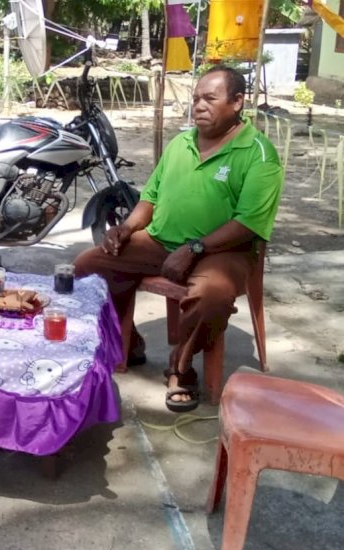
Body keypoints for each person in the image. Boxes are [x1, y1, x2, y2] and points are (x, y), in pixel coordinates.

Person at [73, 65, 283, 412]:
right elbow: (149, 200)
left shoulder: (258, 153)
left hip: (224, 251)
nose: (198, 106)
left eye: (210, 99)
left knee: (212, 296)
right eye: (196, 98)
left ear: (237, 102)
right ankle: (131, 344)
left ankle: (181, 367)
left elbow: (248, 223)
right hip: (160, 242)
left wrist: (195, 248)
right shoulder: (180, 143)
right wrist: (126, 228)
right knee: (87, 267)